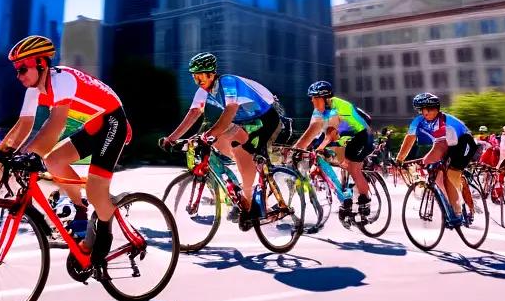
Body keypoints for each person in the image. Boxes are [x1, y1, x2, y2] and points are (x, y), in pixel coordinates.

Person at [0, 35, 130, 266]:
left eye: (22, 69)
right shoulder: (33, 90)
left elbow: (56, 124)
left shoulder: (62, 80)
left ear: (41, 63)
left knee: (95, 189)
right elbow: (23, 125)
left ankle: (103, 238)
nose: (18, 76)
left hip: (113, 121)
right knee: (54, 160)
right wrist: (1, 154)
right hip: (94, 124)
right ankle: (80, 208)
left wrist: (31, 155)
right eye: (16, 70)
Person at [159, 53, 281, 231]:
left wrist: (209, 133)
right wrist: (171, 139)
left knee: (245, 152)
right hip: (245, 120)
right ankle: (242, 194)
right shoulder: (203, 91)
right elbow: (194, 113)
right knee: (222, 142)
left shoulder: (228, 82)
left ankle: (253, 203)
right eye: (195, 76)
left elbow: (230, 110)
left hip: (266, 117)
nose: (198, 80)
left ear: (212, 74)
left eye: (201, 76)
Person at [289, 81, 372, 228]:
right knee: (337, 161)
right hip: (344, 137)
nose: (312, 100)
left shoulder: (336, 108)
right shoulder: (318, 112)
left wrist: (319, 148)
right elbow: (311, 132)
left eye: (315, 97)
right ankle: (346, 197)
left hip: (361, 135)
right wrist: (295, 150)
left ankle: (365, 202)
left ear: (326, 98)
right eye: (311, 98)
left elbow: (331, 134)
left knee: (353, 168)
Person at [394, 93, 477, 225]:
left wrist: (426, 161)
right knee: (438, 179)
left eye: (431, 108)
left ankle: (461, 207)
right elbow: (410, 138)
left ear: (437, 109)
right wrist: (400, 159)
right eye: (423, 109)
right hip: (448, 144)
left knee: (451, 174)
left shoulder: (443, 121)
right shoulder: (418, 121)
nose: (427, 112)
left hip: (464, 141)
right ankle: (453, 207)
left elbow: (440, 147)